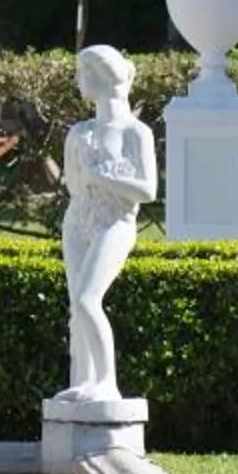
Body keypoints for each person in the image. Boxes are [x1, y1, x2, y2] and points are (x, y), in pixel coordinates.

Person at [58, 44, 156, 402]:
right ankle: (83, 381)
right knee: (75, 308)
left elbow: (147, 190)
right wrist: (91, 181)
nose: (79, 81)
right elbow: (72, 182)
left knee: (88, 300)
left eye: (84, 73)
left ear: (105, 78)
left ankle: (107, 384)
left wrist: (104, 179)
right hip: (78, 220)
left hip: (115, 222)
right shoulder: (79, 133)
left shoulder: (135, 133)